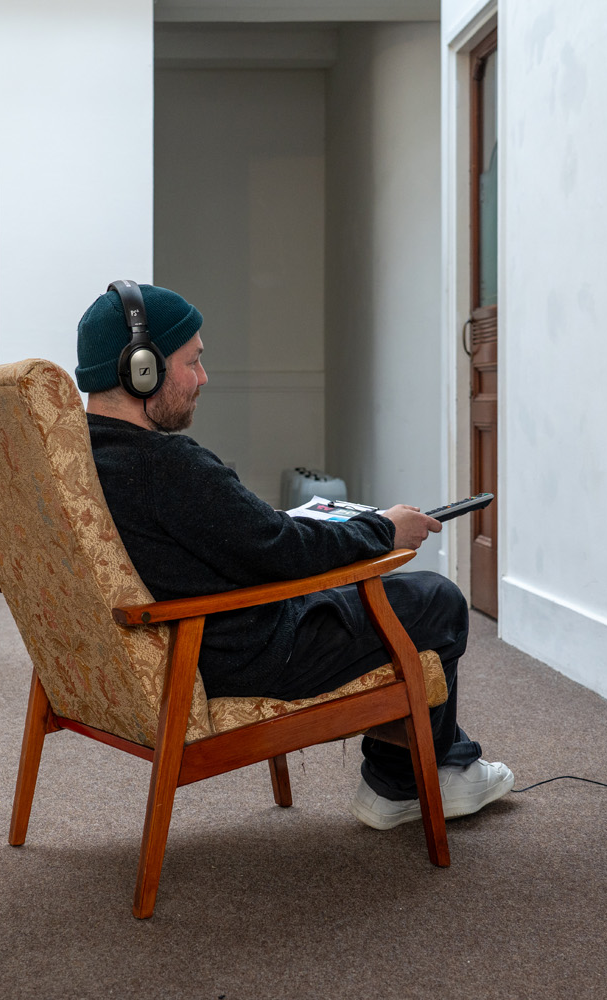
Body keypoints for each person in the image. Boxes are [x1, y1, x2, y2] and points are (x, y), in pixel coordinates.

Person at [74, 282, 513, 829]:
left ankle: (437, 762)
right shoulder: (166, 465)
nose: (203, 378)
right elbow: (283, 552)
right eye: (193, 362)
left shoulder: (78, 456)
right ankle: (402, 784)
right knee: (435, 598)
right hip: (246, 650)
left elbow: (244, 537)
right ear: (142, 370)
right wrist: (385, 529)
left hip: (176, 641)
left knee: (363, 589)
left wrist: (300, 531)